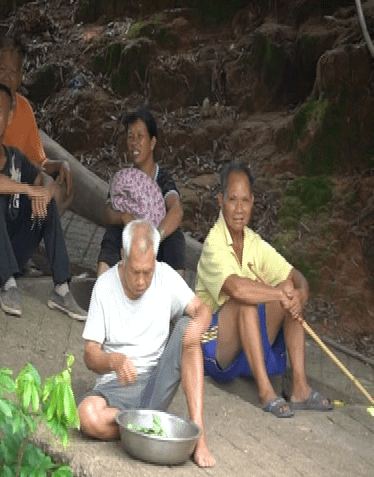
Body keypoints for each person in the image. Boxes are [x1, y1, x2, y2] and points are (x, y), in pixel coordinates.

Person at [196, 160, 332, 417]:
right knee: (244, 301)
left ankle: (300, 388)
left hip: (249, 342)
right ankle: (265, 392)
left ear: (253, 201)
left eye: (245, 201)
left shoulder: (254, 243)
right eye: (232, 200)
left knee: (289, 288)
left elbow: (296, 277)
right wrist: (278, 294)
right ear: (220, 200)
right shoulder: (214, 244)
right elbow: (236, 289)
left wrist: (299, 294)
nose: (239, 209)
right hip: (214, 347)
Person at [78, 220, 215, 468]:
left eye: (147, 272)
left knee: (187, 328)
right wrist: (114, 361)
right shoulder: (104, 286)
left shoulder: (166, 276)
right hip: (117, 387)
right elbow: (90, 355)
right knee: (86, 416)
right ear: (122, 256)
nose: (141, 281)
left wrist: (200, 324)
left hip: (156, 383)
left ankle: (199, 433)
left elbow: (201, 309)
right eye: (135, 272)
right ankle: (150, 429)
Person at [0, 82, 86, 320]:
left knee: (45, 204)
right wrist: (29, 190)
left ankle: (61, 289)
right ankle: (8, 285)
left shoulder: (15, 157)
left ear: (9, 117)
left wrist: (45, 193)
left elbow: (45, 178)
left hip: (10, 253)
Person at [0, 35, 74, 212]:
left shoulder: (25, 108)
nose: (7, 78)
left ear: (21, 76)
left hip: (21, 187)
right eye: (2, 70)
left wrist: (61, 165)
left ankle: (32, 232)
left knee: (61, 190)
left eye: (13, 72)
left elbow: (39, 161)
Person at [97, 108, 186, 277]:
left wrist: (155, 236)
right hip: (130, 246)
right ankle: (102, 288)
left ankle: (176, 299)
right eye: (130, 137)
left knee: (176, 239)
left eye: (140, 136)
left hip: (155, 247)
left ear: (152, 142)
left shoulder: (163, 179)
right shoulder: (124, 180)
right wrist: (123, 217)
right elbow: (108, 212)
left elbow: (176, 210)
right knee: (113, 233)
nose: (134, 143)